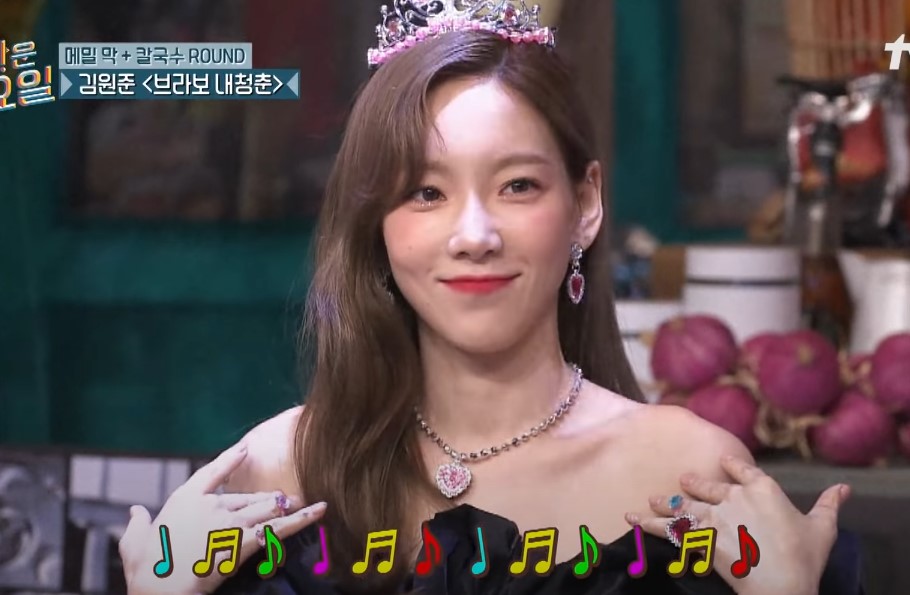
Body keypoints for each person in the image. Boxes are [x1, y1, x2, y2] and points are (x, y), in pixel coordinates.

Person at [118, 3, 863, 595]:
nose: (474, 235)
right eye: (426, 192)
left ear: (585, 204)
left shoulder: (686, 472)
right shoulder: (277, 470)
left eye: (517, 186)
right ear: (376, 224)